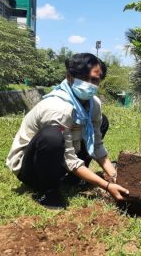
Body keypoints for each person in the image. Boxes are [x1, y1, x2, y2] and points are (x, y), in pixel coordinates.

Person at [7, 53, 129, 209]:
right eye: (84, 78)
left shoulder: (94, 104)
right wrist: (106, 186)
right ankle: (48, 191)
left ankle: (72, 178)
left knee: (101, 121)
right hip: (32, 167)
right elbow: (69, 158)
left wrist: (113, 175)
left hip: (61, 158)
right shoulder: (57, 107)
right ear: (70, 77)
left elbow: (96, 144)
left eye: (94, 80)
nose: (89, 84)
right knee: (52, 136)